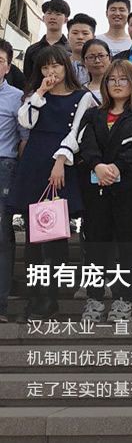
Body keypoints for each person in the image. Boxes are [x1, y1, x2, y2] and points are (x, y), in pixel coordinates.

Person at [12, 46, 97, 319]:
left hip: (61, 164)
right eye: (45, 67)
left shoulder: (83, 97)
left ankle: (50, 297)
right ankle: (33, 296)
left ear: (66, 67)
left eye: (56, 66)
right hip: (35, 163)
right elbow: (25, 121)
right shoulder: (36, 96)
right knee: (33, 237)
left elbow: (78, 133)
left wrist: (60, 160)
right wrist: (40, 92)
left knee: (54, 235)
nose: (51, 71)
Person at [77, 60, 132, 322]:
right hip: (96, 188)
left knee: (127, 245)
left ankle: (123, 300)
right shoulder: (93, 114)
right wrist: (98, 165)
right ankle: (94, 299)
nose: (117, 84)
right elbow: (85, 143)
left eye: (123, 79)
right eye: (112, 79)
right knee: (95, 244)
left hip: (130, 190)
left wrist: (115, 166)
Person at [0, 39, 28, 323]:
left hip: (3, 167)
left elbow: (24, 139)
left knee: (2, 236)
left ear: (8, 67)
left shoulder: (17, 97)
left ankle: (1, 305)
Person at [23, 0, 70, 83]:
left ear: (66, 20)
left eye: (58, 14)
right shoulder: (32, 49)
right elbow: (27, 79)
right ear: (43, 18)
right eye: (49, 13)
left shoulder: (70, 49)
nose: (53, 17)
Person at [66, 14, 96, 86]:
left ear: (93, 38)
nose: (80, 37)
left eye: (85, 33)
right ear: (68, 37)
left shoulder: (101, 65)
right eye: (75, 33)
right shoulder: (60, 64)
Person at [80, 39, 112, 103]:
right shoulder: (80, 91)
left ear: (110, 58)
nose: (97, 61)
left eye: (101, 56)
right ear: (83, 61)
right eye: (91, 57)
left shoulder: (118, 86)